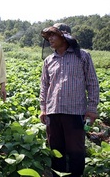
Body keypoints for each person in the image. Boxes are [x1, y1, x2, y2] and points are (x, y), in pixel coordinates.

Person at [39, 23, 100, 176]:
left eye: (54, 35)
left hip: (74, 112)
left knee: (76, 151)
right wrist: (43, 109)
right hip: (53, 112)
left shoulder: (82, 56)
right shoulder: (49, 60)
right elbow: (44, 87)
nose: (50, 39)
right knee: (56, 151)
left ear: (64, 37)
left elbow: (92, 82)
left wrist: (92, 109)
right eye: (49, 36)